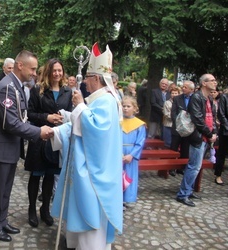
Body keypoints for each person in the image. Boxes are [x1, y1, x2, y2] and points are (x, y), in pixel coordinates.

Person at [51, 43, 123, 249]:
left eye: (89, 78)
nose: (86, 83)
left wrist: (80, 105)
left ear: (97, 79)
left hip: (96, 170)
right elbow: (83, 124)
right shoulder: (100, 100)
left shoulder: (107, 101)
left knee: (91, 211)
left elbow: (95, 130)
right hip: (89, 165)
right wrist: (70, 115)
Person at [0, 50, 53, 242]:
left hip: (8, 147)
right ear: (20, 65)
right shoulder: (7, 87)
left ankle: (1, 220)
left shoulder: (17, 85)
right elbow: (11, 123)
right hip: (0, 148)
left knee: (5, 188)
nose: (34, 73)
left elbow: (22, 117)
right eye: (32, 68)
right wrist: (38, 132)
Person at [24, 58, 72, 228]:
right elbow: (29, 113)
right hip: (40, 137)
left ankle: (45, 209)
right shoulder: (38, 90)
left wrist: (64, 118)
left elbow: (72, 114)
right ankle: (31, 209)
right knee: (36, 175)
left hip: (57, 138)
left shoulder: (68, 91)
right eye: (54, 71)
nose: (57, 74)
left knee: (50, 176)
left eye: (60, 70)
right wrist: (47, 117)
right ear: (48, 72)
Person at [176, 74, 218, 207]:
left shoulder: (209, 98)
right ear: (204, 83)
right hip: (198, 137)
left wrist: (214, 132)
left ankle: (189, 190)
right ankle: (183, 194)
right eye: (212, 80)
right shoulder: (197, 97)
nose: (215, 82)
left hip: (206, 136)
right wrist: (210, 133)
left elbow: (213, 118)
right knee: (194, 166)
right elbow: (197, 119)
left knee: (196, 166)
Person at [121, 96, 146, 205]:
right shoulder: (118, 122)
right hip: (119, 152)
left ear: (134, 108)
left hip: (131, 154)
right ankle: (118, 199)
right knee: (118, 176)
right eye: (123, 106)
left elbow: (140, 143)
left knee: (129, 175)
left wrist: (132, 155)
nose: (125, 108)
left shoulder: (139, 125)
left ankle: (127, 198)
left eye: (128, 106)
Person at [170, 81, 195, 176]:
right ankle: (171, 168)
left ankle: (181, 168)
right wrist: (180, 125)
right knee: (174, 148)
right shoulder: (177, 98)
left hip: (189, 130)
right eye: (183, 86)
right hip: (177, 128)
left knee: (185, 149)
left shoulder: (195, 98)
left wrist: (188, 126)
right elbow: (173, 113)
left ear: (191, 89)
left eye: (185, 87)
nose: (183, 88)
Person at [214, 88, 228, 185]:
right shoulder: (224, 97)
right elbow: (221, 114)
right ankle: (218, 175)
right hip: (226, 131)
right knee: (222, 153)